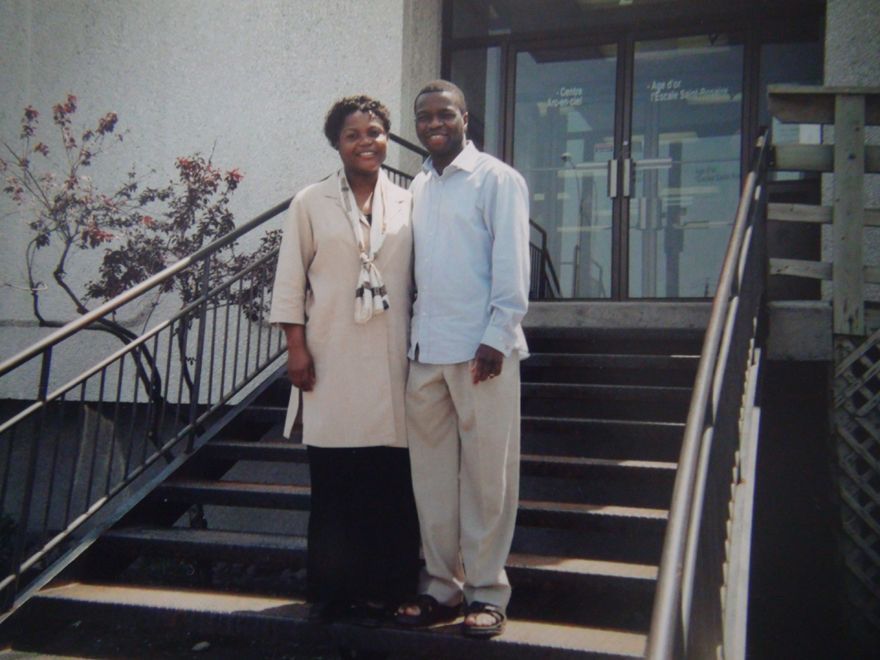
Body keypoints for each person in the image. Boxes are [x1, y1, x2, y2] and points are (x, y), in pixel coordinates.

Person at [269, 95, 420, 625]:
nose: (366, 141)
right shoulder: (309, 203)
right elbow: (290, 281)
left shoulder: (408, 201)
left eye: (375, 131)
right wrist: (296, 347)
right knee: (335, 485)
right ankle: (333, 592)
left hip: (389, 361)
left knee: (391, 485)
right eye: (354, 133)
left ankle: (393, 587)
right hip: (330, 359)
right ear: (337, 142)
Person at [395, 80, 530, 638]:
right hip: (427, 351)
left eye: (444, 114)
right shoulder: (418, 186)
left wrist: (498, 334)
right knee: (431, 481)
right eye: (424, 116)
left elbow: (511, 260)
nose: (433, 124)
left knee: (486, 478)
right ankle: (442, 588)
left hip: (482, 353)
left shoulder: (497, 179)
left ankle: (487, 590)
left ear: (465, 118)